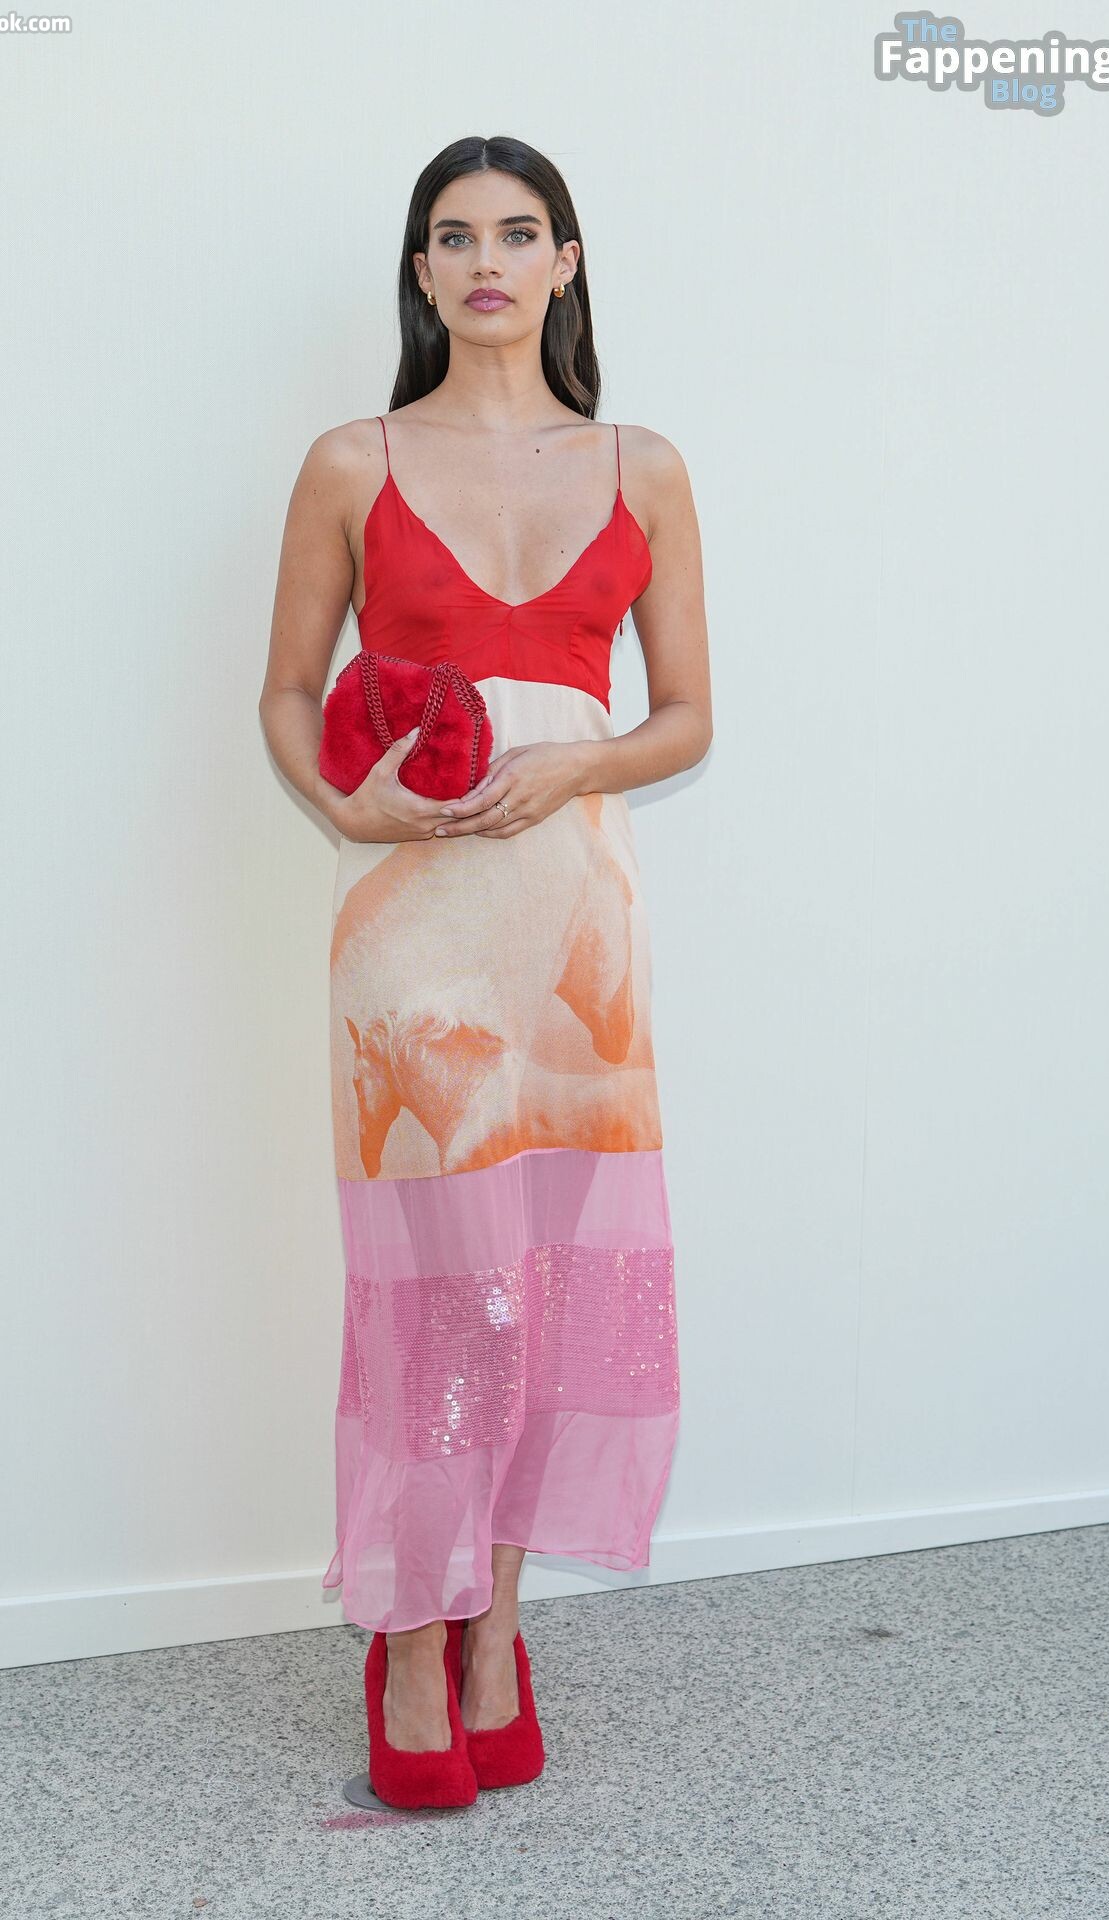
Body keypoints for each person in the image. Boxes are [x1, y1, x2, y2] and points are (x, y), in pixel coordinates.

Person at [259, 133, 713, 1808]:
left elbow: (689, 718)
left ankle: (497, 1622)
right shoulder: (349, 462)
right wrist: (341, 799)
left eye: (519, 234)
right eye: (453, 238)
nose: (486, 263)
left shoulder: (644, 466)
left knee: (556, 1286)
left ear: (565, 263)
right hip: (416, 922)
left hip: (580, 926)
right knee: (444, 1292)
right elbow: (284, 690)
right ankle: (405, 1627)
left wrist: (581, 763)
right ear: (424, 272)